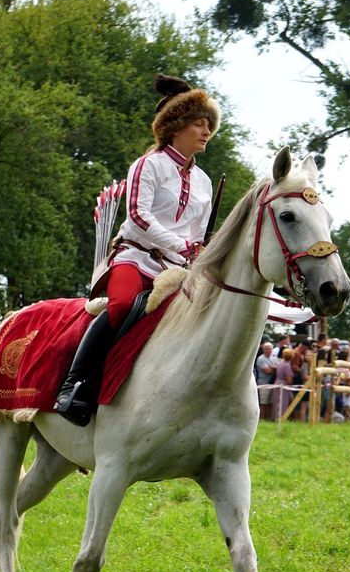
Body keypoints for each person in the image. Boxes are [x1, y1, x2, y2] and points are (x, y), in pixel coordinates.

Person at [55, 73, 220, 425]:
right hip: (136, 256)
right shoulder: (149, 164)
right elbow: (137, 215)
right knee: (120, 308)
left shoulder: (205, 182)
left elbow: (198, 233)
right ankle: (75, 385)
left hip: (178, 269)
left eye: (209, 126)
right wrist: (182, 244)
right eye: (200, 125)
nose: (207, 132)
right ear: (176, 126)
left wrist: (200, 252)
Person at [255, 342, 279, 419]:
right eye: (266, 349)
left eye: (270, 349)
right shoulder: (260, 359)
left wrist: (272, 367)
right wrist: (275, 368)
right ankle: (262, 418)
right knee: (263, 402)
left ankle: (269, 418)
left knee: (271, 402)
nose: (268, 350)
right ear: (263, 350)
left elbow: (278, 368)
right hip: (263, 383)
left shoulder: (274, 358)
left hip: (272, 383)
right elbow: (267, 371)